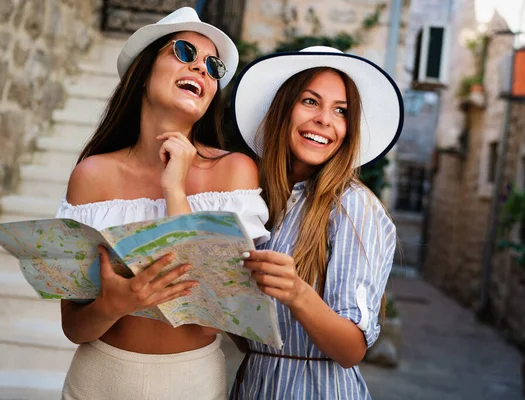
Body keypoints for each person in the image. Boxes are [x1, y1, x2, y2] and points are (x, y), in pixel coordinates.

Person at [55, 7, 269, 400]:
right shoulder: (91, 175)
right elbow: (74, 327)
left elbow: (211, 320)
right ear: (143, 70)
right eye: (185, 52)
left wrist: (176, 189)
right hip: (96, 379)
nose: (202, 69)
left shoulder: (234, 173)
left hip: (192, 383)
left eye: (213, 66)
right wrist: (112, 305)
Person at [229, 46, 404, 398]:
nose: (326, 119)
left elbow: (351, 349)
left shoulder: (354, 207)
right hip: (255, 385)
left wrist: (297, 293)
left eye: (341, 111)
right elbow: (245, 337)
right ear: (283, 109)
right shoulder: (261, 200)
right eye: (310, 102)